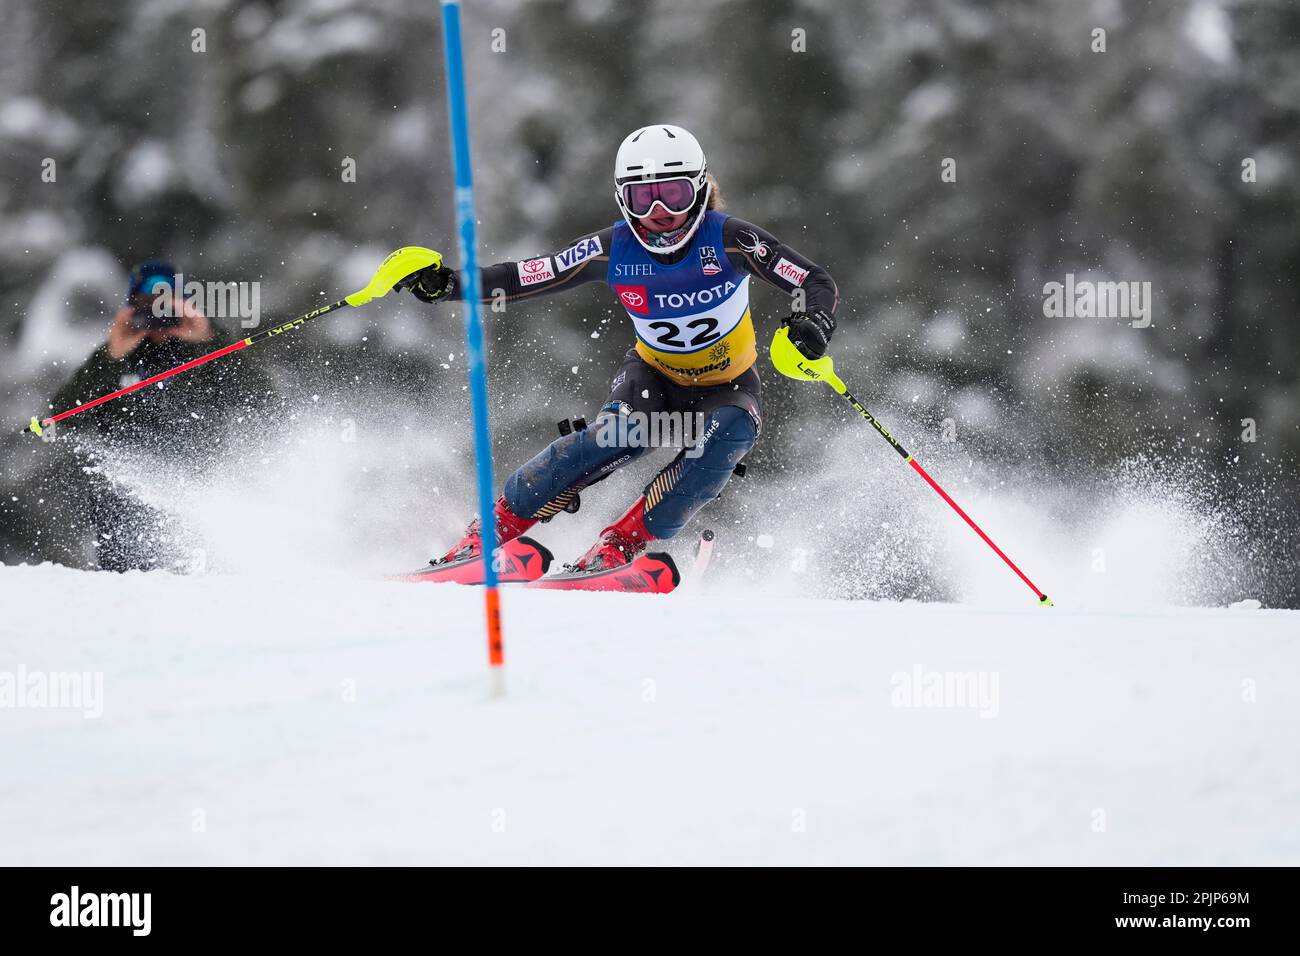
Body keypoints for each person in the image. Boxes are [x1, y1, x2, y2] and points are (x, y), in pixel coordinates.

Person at [404, 125, 839, 572]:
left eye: (673, 193)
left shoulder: (730, 240)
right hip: (652, 378)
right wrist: (449, 285)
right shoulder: (612, 250)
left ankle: (619, 547)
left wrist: (815, 322)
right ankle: (488, 534)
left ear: (701, 190)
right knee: (621, 435)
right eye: (641, 197)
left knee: (730, 433)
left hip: (728, 384)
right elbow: (524, 276)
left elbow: (813, 281)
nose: (658, 211)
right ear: (621, 199)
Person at [43, 260, 274, 570]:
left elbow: (266, 400)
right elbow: (60, 418)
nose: (156, 314)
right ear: (130, 307)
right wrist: (112, 355)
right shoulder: (114, 358)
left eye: (165, 304)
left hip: (199, 497)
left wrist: (209, 341)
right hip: (123, 513)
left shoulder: (210, 353)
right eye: (145, 305)